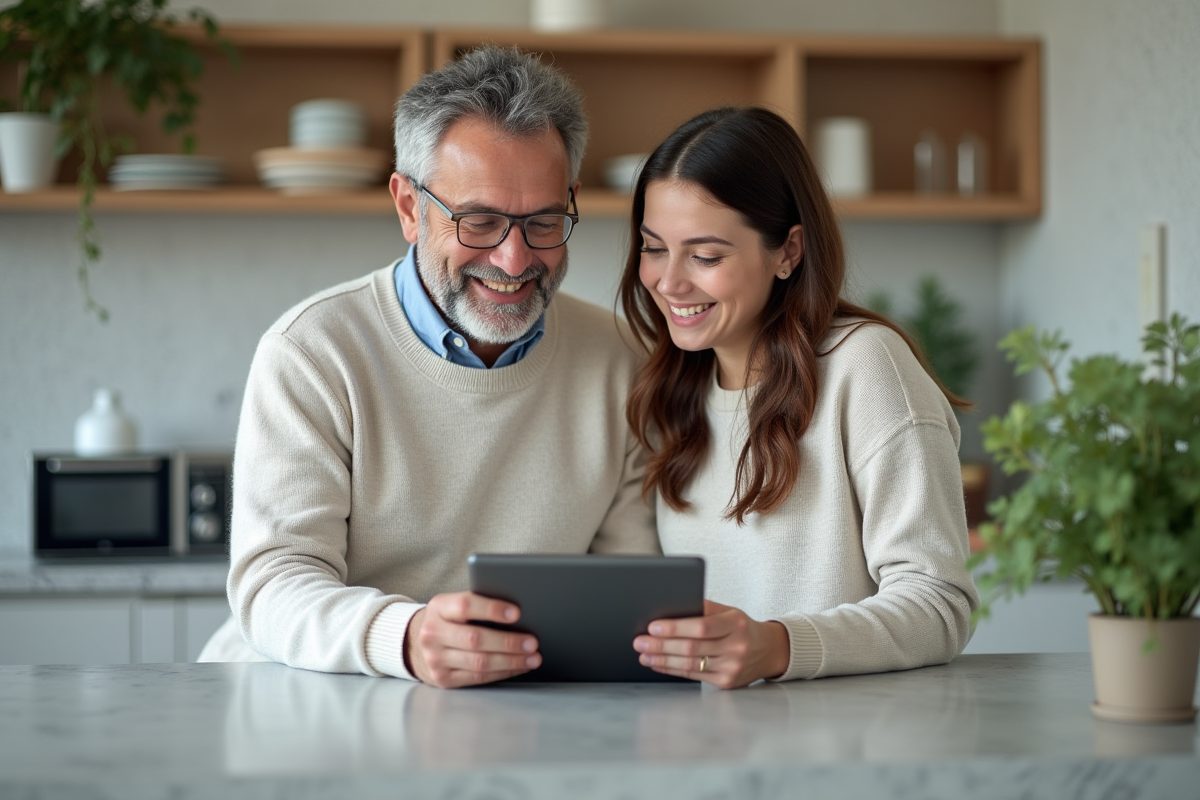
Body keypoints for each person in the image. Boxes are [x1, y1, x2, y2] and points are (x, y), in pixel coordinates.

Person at [199, 46, 658, 687]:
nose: (513, 258)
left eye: (544, 221)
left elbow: (627, 597)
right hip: (306, 704)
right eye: (479, 221)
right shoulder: (312, 353)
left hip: (515, 714)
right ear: (410, 208)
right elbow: (273, 584)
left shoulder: (621, 361)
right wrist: (407, 638)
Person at [618, 107, 981, 689]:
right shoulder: (671, 390)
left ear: (787, 251)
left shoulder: (866, 366)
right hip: (715, 752)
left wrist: (776, 647)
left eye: (706, 256)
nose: (669, 281)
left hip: (849, 754)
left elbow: (939, 604)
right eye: (654, 247)